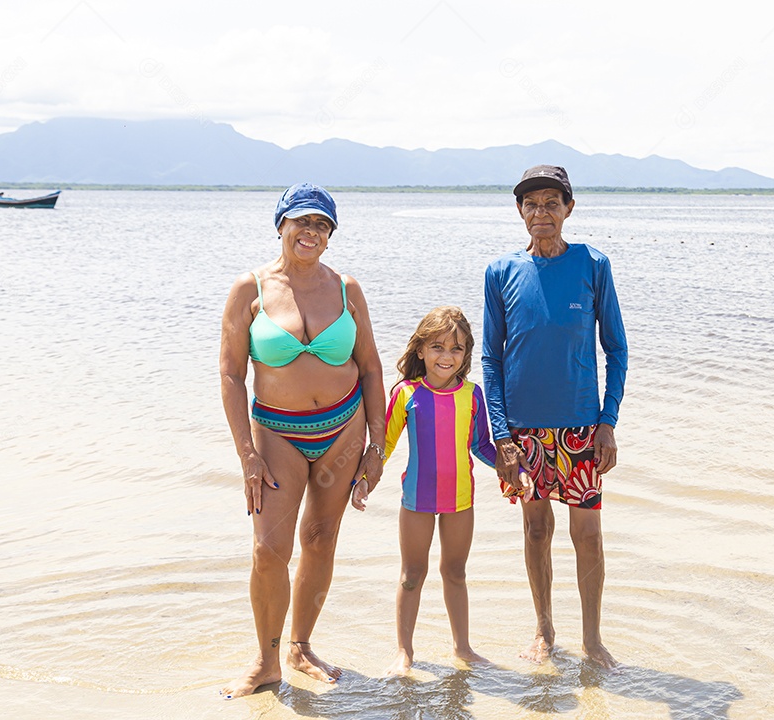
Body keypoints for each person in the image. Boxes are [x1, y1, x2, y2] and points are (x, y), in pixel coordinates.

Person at [219, 183, 386, 697]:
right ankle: (267, 660)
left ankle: (301, 646)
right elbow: (230, 375)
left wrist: (376, 447)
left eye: (322, 225)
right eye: (302, 222)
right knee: (269, 549)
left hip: (343, 430)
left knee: (320, 540)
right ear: (280, 225)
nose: (310, 232)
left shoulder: (346, 289)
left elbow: (372, 370)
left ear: (330, 237)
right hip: (276, 434)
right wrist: (247, 454)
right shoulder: (250, 289)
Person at [481, 165, 628, 668]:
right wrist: (501, 434)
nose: (540, 213)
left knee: (587, 535)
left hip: (582, 427)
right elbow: (491, 359)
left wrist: (608, 421)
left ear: (568, 208)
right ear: (520, 212)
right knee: (536, 530)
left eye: (551, 203)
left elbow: (617, 349)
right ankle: (543, 630)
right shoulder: (501, 272)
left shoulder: (592, 264)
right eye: (531, 204)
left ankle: (592, 640)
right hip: (523, 432)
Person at [352, 307, 496, 675]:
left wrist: (515, 470)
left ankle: (463, 648)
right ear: (420, 350)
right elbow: (383, 445)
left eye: (457, 349)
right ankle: (404, 652)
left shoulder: (473, 395)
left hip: (460, 500)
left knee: (456, 572)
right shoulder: (406, 393)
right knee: (412, 574)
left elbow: (483, 447)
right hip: (416, 499)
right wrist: (363, 482)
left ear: (465, 355)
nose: (446, 357)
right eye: (437, 347)